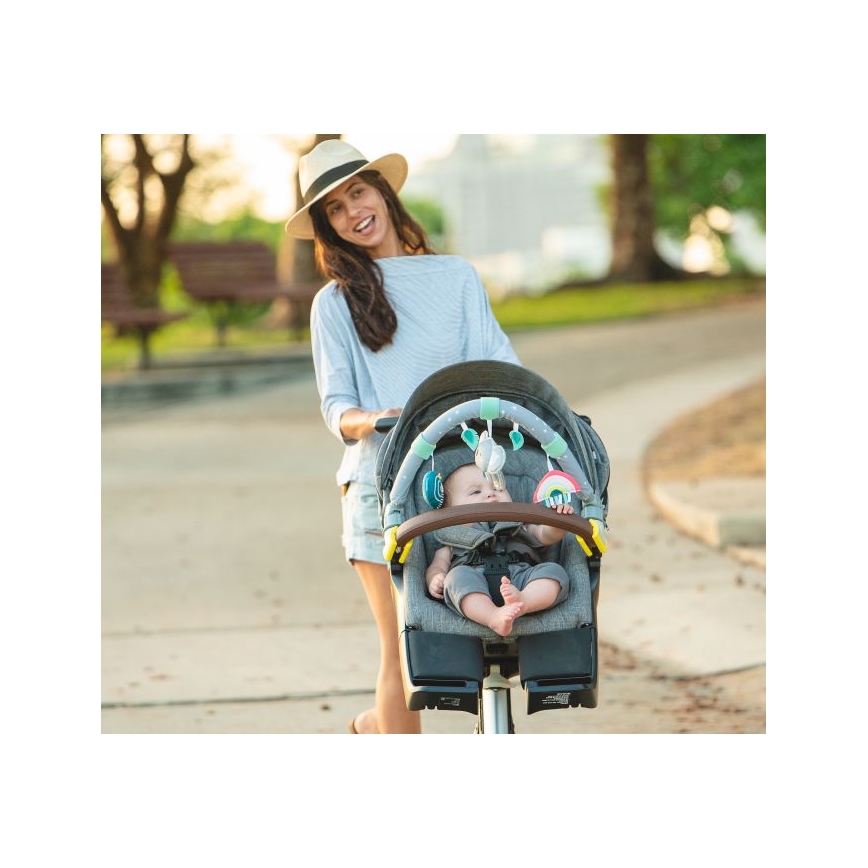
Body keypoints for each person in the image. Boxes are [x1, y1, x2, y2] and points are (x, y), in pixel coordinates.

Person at [285, 139, 520, 734]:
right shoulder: (334, 303)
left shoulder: (454, 276)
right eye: (335, 209)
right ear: (327, 228)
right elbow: (337, 407)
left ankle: (374, 728)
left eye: (358, 193)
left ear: (383, 193)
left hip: (465, 482)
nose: (353, 212)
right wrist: (371, 418)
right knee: (404, 648)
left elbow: (498, 363)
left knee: (479, 633)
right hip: (378, 483)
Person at [425, 463, 572, 637]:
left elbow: (547, 535)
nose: (491, 494)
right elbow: (437, 566)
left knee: (554, 572)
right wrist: (435, 578)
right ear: (451, 512)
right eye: (475, 492)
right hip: (473, 583)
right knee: (455, 578)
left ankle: (524, 601)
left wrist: (557, 521)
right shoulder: (451, 541)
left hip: (522, 580)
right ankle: (493, 617)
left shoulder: (520, 526)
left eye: (498, 488)